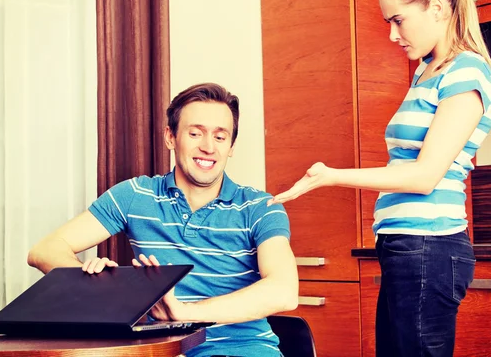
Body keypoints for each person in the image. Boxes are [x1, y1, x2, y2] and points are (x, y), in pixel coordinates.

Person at [268, 0, 491, 357]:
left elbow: (425, 176)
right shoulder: (427, 70)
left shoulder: (467, 72)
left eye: (398, 20)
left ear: (438, 9)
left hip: (430, 245)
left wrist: (332, 175)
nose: (393, 35)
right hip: (404, 244)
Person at [28, 83, 299, 357]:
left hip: (241, 350)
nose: (208, 147)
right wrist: (100, 285)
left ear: (230, 147)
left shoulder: (261, 207)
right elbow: (44, 251)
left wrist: (186, 313)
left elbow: (283, 290)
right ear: (170, 137)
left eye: (220, 137)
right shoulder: (134, 195)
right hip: (160, 350)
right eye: (195, 133)